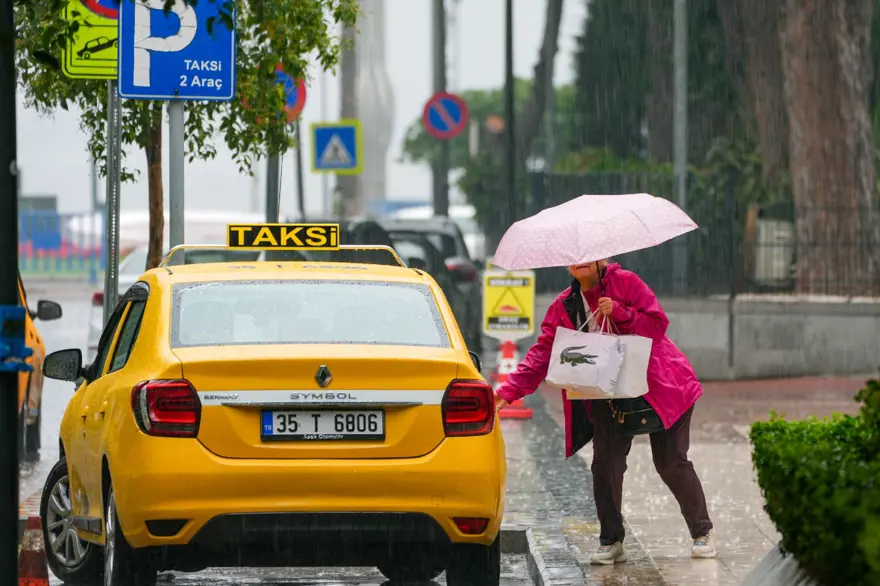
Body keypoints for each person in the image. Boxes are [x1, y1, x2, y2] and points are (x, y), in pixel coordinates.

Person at [494, 259, 716, 564]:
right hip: (608, 395)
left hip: (663, 387)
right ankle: (611, 540)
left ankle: (701, 532)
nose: (580, 262)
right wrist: (507, 391)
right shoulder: (565, 306)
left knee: (670, 462)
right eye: (573, 259)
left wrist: (622, 313)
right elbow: (543, 352)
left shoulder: (625, 283)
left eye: (587, 256)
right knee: (605, 466)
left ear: (601, 259)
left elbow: (657, 326)